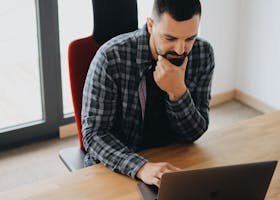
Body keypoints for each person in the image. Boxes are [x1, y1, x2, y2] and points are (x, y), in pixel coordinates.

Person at [81, 0, 214, 187]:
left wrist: (178, 92)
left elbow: (194, 133)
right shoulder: (111, 58)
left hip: (173, 160)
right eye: (170, 38)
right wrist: (141, 167)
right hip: (119, 165)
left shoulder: (203, 53)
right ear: (151, 25)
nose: (180, 49)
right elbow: (94, 135)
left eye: (190, 38)